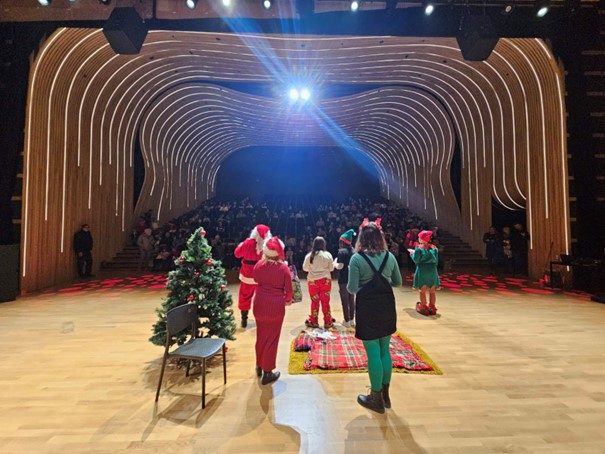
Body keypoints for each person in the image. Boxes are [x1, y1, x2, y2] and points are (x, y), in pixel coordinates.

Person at [347, 219, 402, 414]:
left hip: (368, 307)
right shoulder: (390, 256)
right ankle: (385, 396)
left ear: (361, 238)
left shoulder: (356, 259)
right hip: (387, 306)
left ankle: (375, 397)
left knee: (372, 353)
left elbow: (351, 288)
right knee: (384, 350)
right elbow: (398, 282)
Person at [252, 236, 293, 385]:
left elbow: (255, 279)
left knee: (261, 336)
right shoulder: (283, 268)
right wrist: (288, 300)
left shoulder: (258, 265)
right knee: (272, 338)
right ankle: (267, 372)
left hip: (259, 304)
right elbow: (289, 290)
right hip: (276, 306)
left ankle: (259, 365)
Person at [234, 224, 271, 328]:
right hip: (262, 276)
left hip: (247, 275)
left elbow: (237, 254)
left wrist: (241, 245)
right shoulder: (268, 244)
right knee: (262, 297)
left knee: (244, 296)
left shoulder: (247, 243)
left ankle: (244, 319)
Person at [303, 236, 335, 329]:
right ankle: (328, 321)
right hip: (325, 281)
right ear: (324, 244)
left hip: (313, 281)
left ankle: (314, 321)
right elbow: (331, 268)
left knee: (314, 302)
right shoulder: (327, 255)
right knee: (325, 301)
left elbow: (305, 268)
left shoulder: (309, 256)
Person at [412, 230, 440, 316]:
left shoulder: (419, 248)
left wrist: (412, 254)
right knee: (432, 291)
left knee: (422, 291)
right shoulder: (434, 248)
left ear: (422, 239)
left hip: (422, 270)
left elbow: (416, 259)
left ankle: (424, 307)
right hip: (432, 270)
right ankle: (432, 307)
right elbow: (436, 262)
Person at [334, 229, 356, 328]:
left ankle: (346, 320)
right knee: (351, 299)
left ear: (342, 242)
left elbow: (340, 266)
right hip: (352, 278)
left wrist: (334, 263)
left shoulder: (341, 252)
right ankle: (352, 320)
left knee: (344, 300)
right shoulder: (354, 251)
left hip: (343, 279)